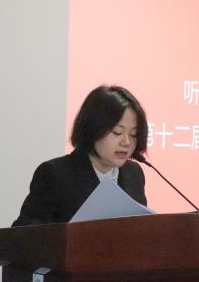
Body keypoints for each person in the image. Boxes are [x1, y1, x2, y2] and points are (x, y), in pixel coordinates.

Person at [12, 85, 148, 226]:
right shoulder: (55, 174)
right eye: (117, 132)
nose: (126, 142)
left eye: (133, 134)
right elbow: (26, 233)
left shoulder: (134, 174)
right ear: (93, 129)